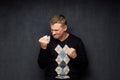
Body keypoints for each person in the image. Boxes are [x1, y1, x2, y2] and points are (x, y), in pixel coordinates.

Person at [38, 14, 88, 80]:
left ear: (65, 28)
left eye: (56, 30)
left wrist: (75, 57)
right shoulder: (47, 41)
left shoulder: (76, 41)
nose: (53, 33)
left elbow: (84, 67)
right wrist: (43, 48)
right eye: (52, 30)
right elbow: (42, 65)